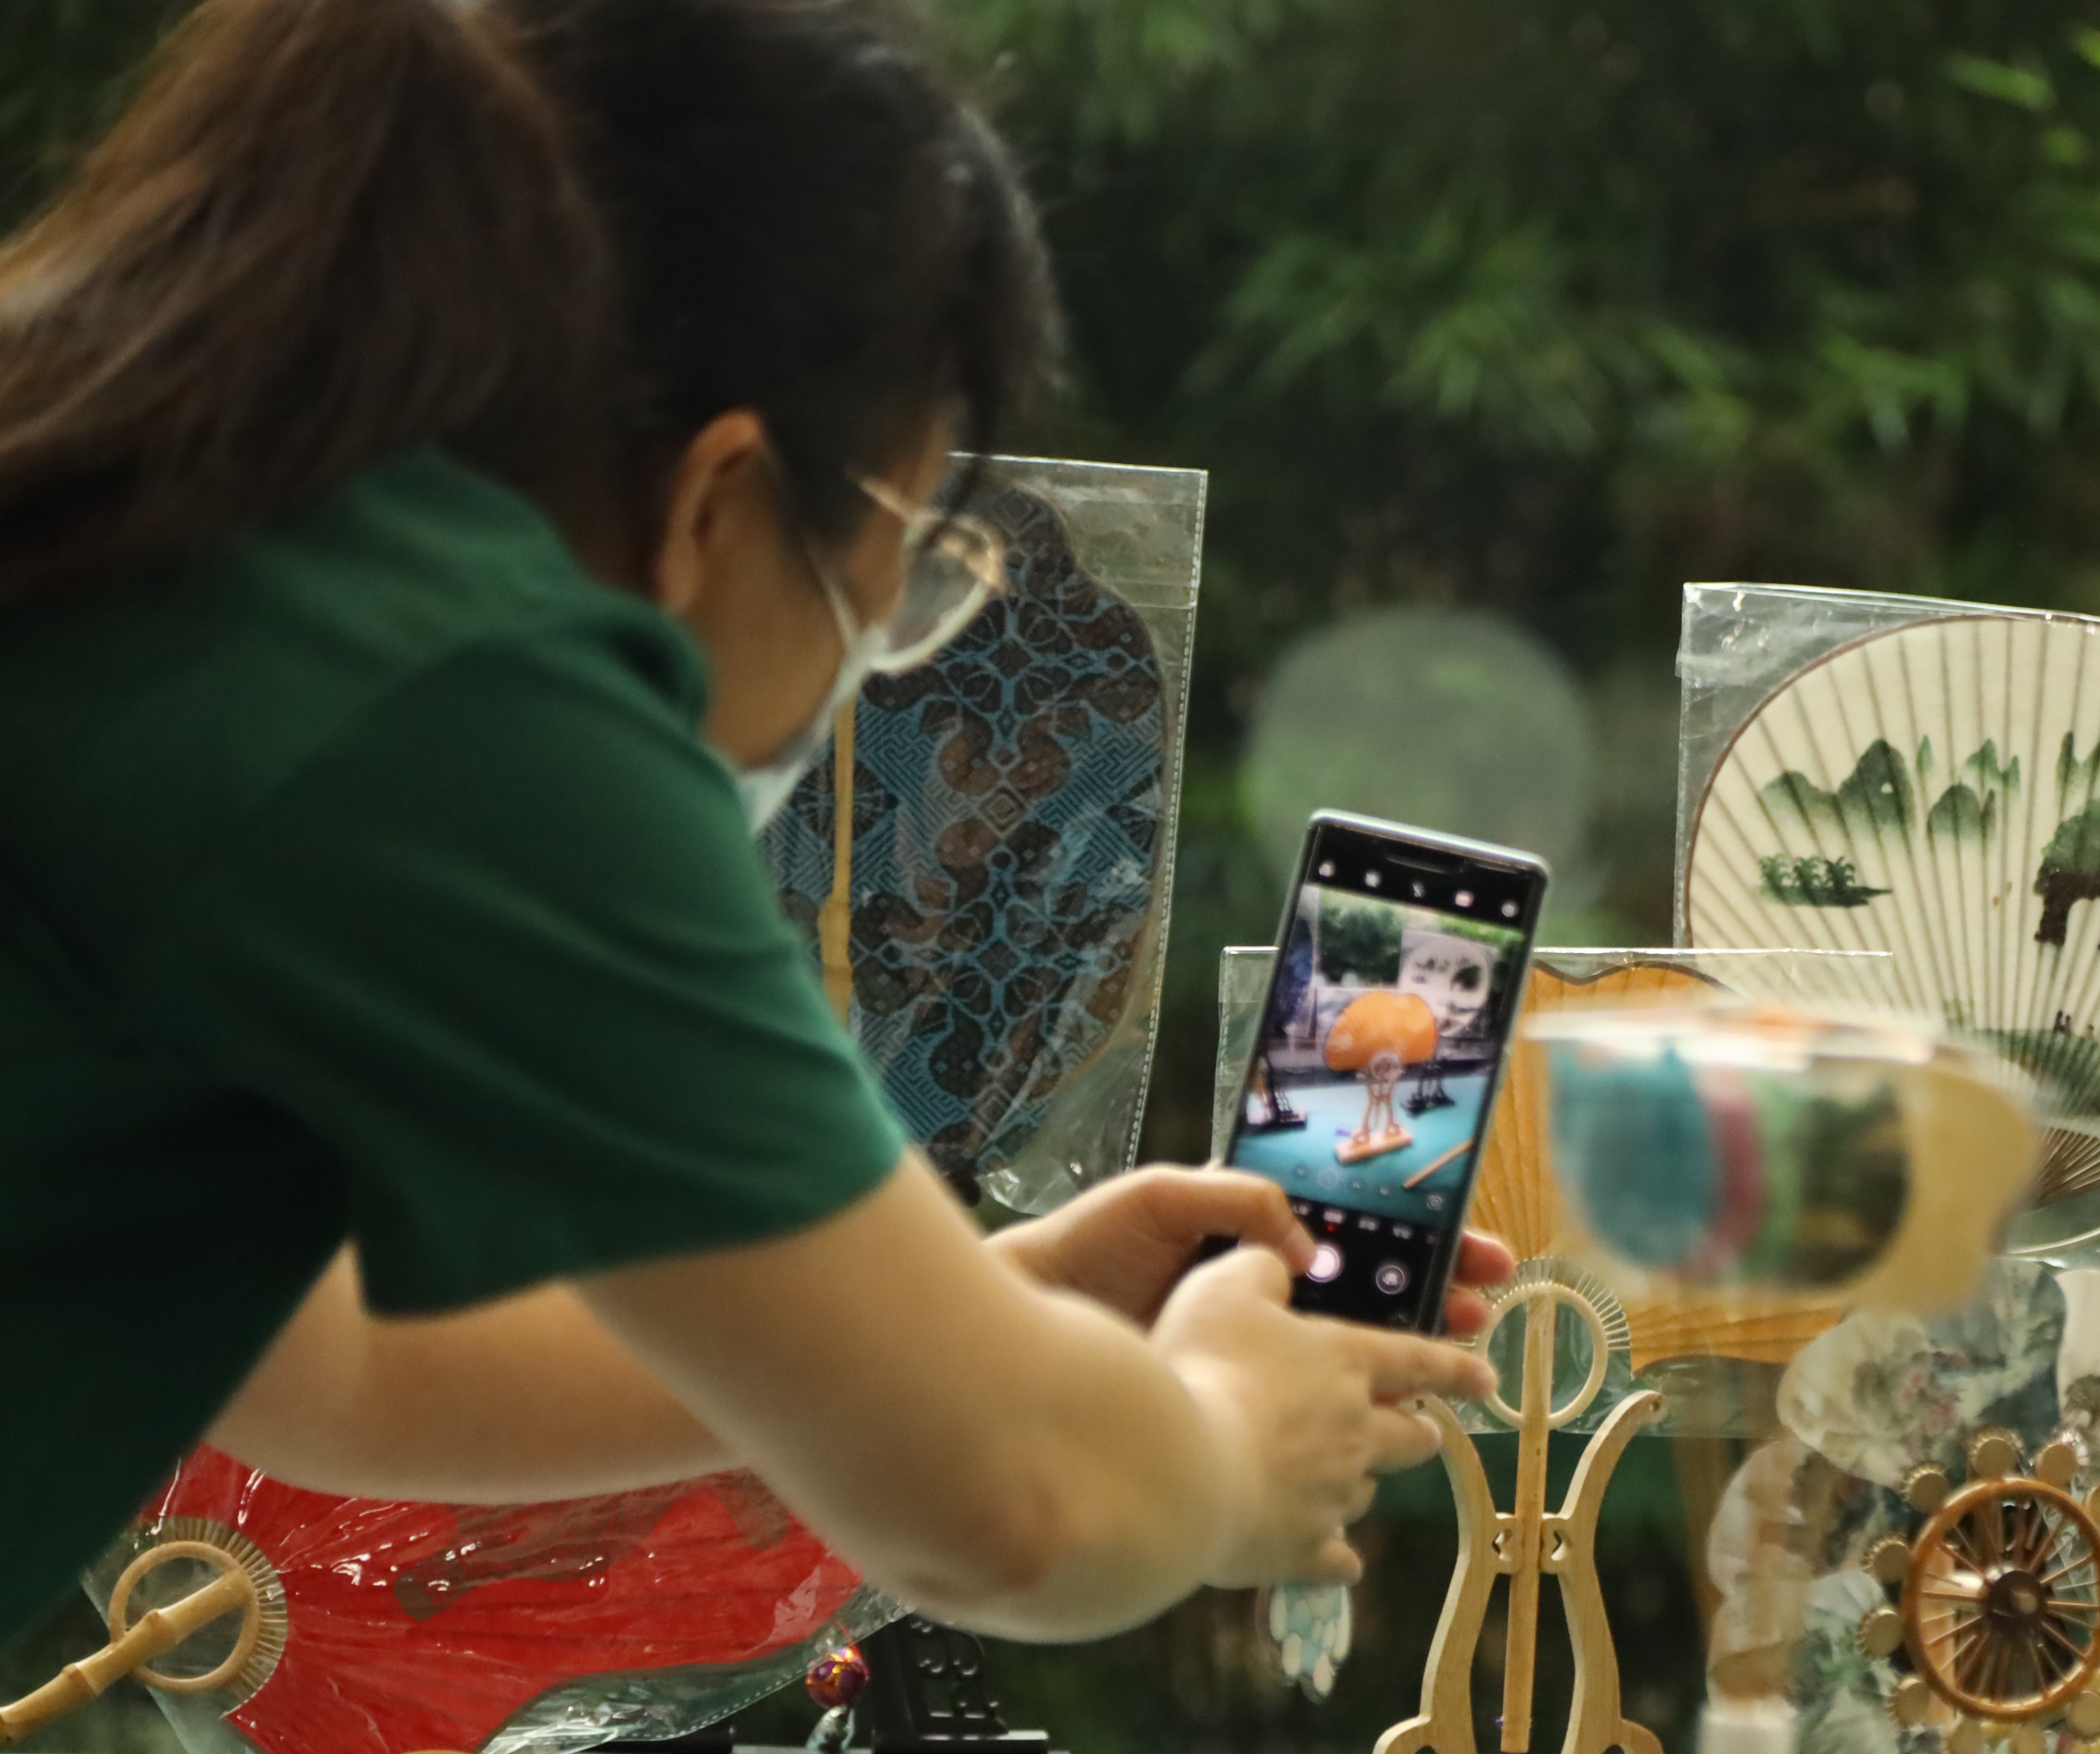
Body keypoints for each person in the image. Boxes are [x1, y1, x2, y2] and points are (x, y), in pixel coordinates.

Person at [0, 0, 1500, 1644]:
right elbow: (1021, 1511)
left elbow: (330, 1358)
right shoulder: (459, 687)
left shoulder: (189, 540)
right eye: (902, 571)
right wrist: (1221, 1439)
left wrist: (972, 1320)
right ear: (719, 498)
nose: (874, 656)